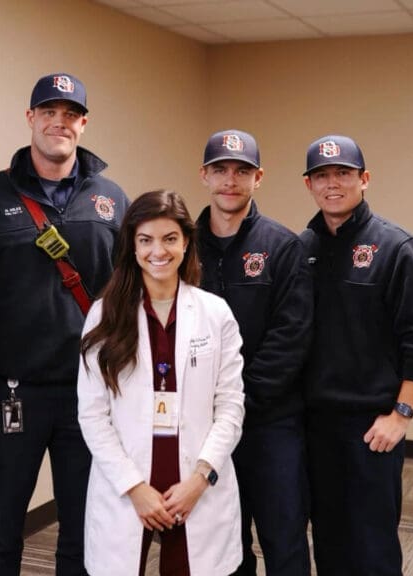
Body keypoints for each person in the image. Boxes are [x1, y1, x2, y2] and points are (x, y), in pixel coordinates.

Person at [0, 72, 129, 576]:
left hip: (89, 393)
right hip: (9, 390)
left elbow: (126, 290)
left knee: (84, 521)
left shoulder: (110, 199)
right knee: (1, 522)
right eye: (49, 112)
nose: (59, 123)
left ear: (83, 124)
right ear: (31, 118)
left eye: (70, 114)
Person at [300, 135, 413, 575]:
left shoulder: (398, 248)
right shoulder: (302, 249)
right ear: (308, 185)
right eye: (321, 176)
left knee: (372, 545)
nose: (332, 184)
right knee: (328, 538)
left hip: (372, 426)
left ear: (364, 179)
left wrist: (401, 414)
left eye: (343, 174)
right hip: (314, 424)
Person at [78, 189, 245, 576]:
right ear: (132, 247)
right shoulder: (106, 314)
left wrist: (200, 479)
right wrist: (134, 488)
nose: (159, 251)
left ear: (186, 243)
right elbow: (92, 415)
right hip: (129, 483)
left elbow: (231, 407)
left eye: (170, 238)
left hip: (194, 481)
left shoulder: (214, 313)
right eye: (146, 240)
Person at [195, 130, 313, 575]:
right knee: (225, 542)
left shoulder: (283, 246)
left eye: (242, 171)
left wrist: (239, 403)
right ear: (204, 174)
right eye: (221, 169)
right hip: (204, 426)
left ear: (258, 177)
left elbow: (291, 336)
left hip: (271, 424)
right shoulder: (183, 245)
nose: (230, 180)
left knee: (283, 539)